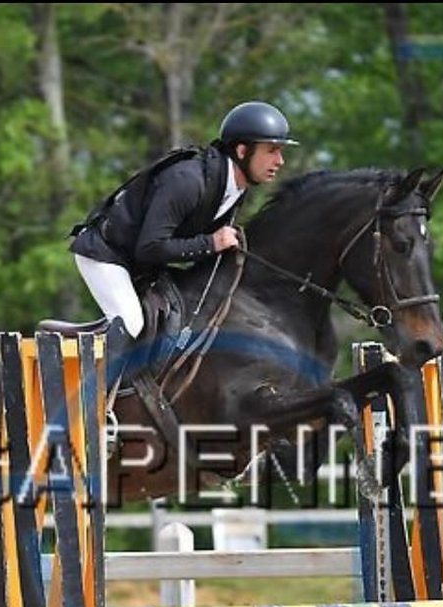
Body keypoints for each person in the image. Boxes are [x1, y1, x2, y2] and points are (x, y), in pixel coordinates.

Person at [68, 100, 299, 390]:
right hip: (106, 254)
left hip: (143, 263)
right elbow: (150, 248)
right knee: (131, 322)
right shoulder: (188, 180)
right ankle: (92, 408)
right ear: (242, 151)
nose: (280, 161)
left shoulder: (233, 188)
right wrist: (211, 242)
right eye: (272, 151)